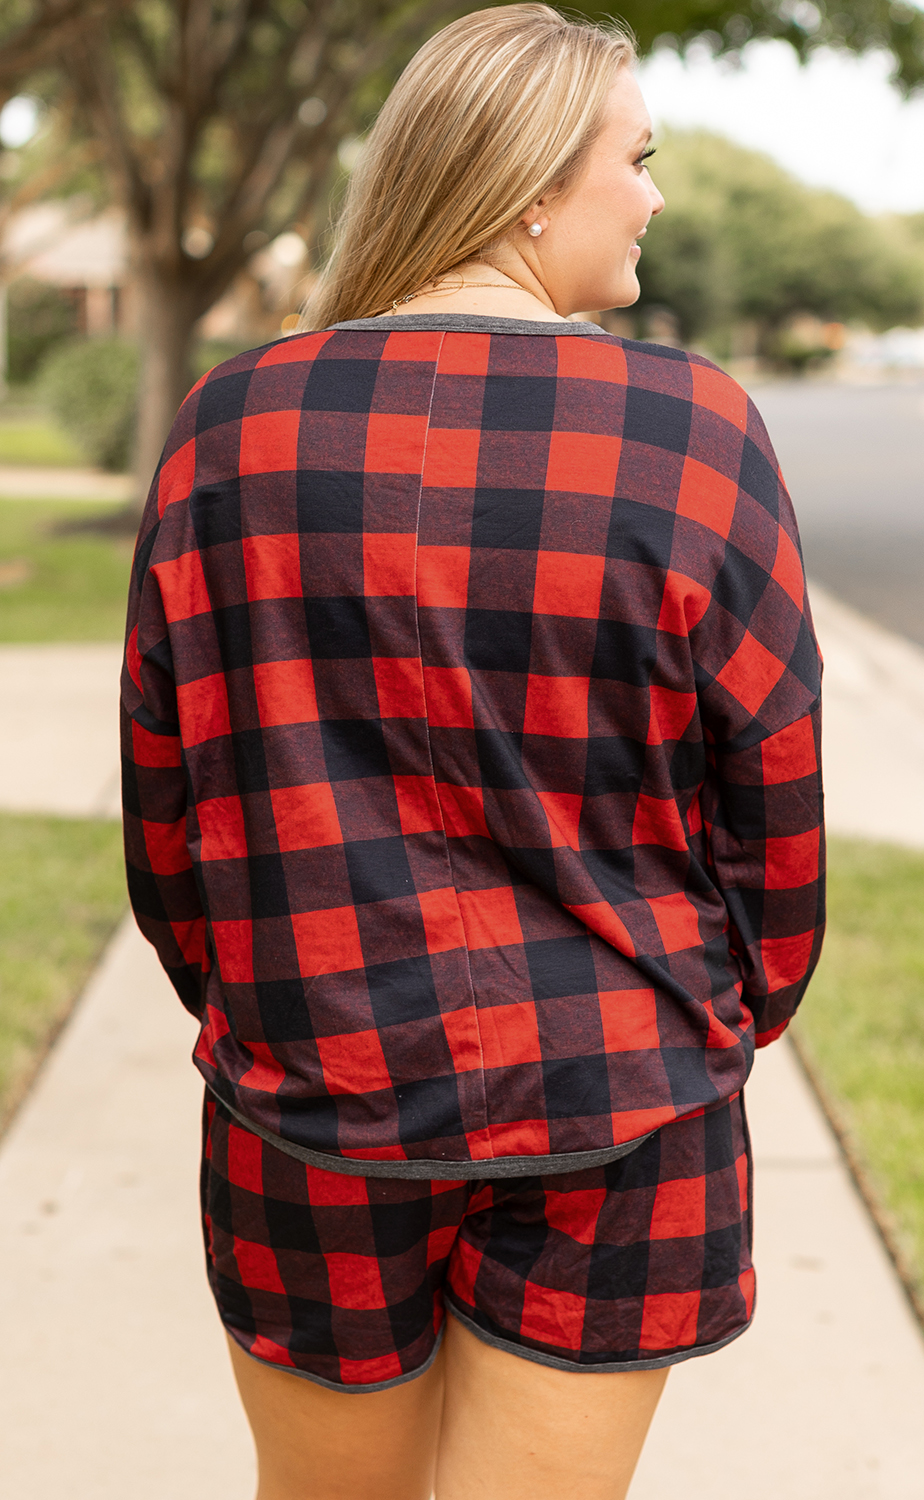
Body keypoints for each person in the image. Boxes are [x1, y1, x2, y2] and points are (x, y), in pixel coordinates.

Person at [120, 7, 825, 1498]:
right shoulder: (689, 426)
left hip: (313, 1087)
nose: (651, 192)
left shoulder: (231, 423)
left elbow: (167, 803)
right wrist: (726, 1015)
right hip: (619, 1092)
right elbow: (773, 793)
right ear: (526, 184)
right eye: (634, 159)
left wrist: (265, 1003)